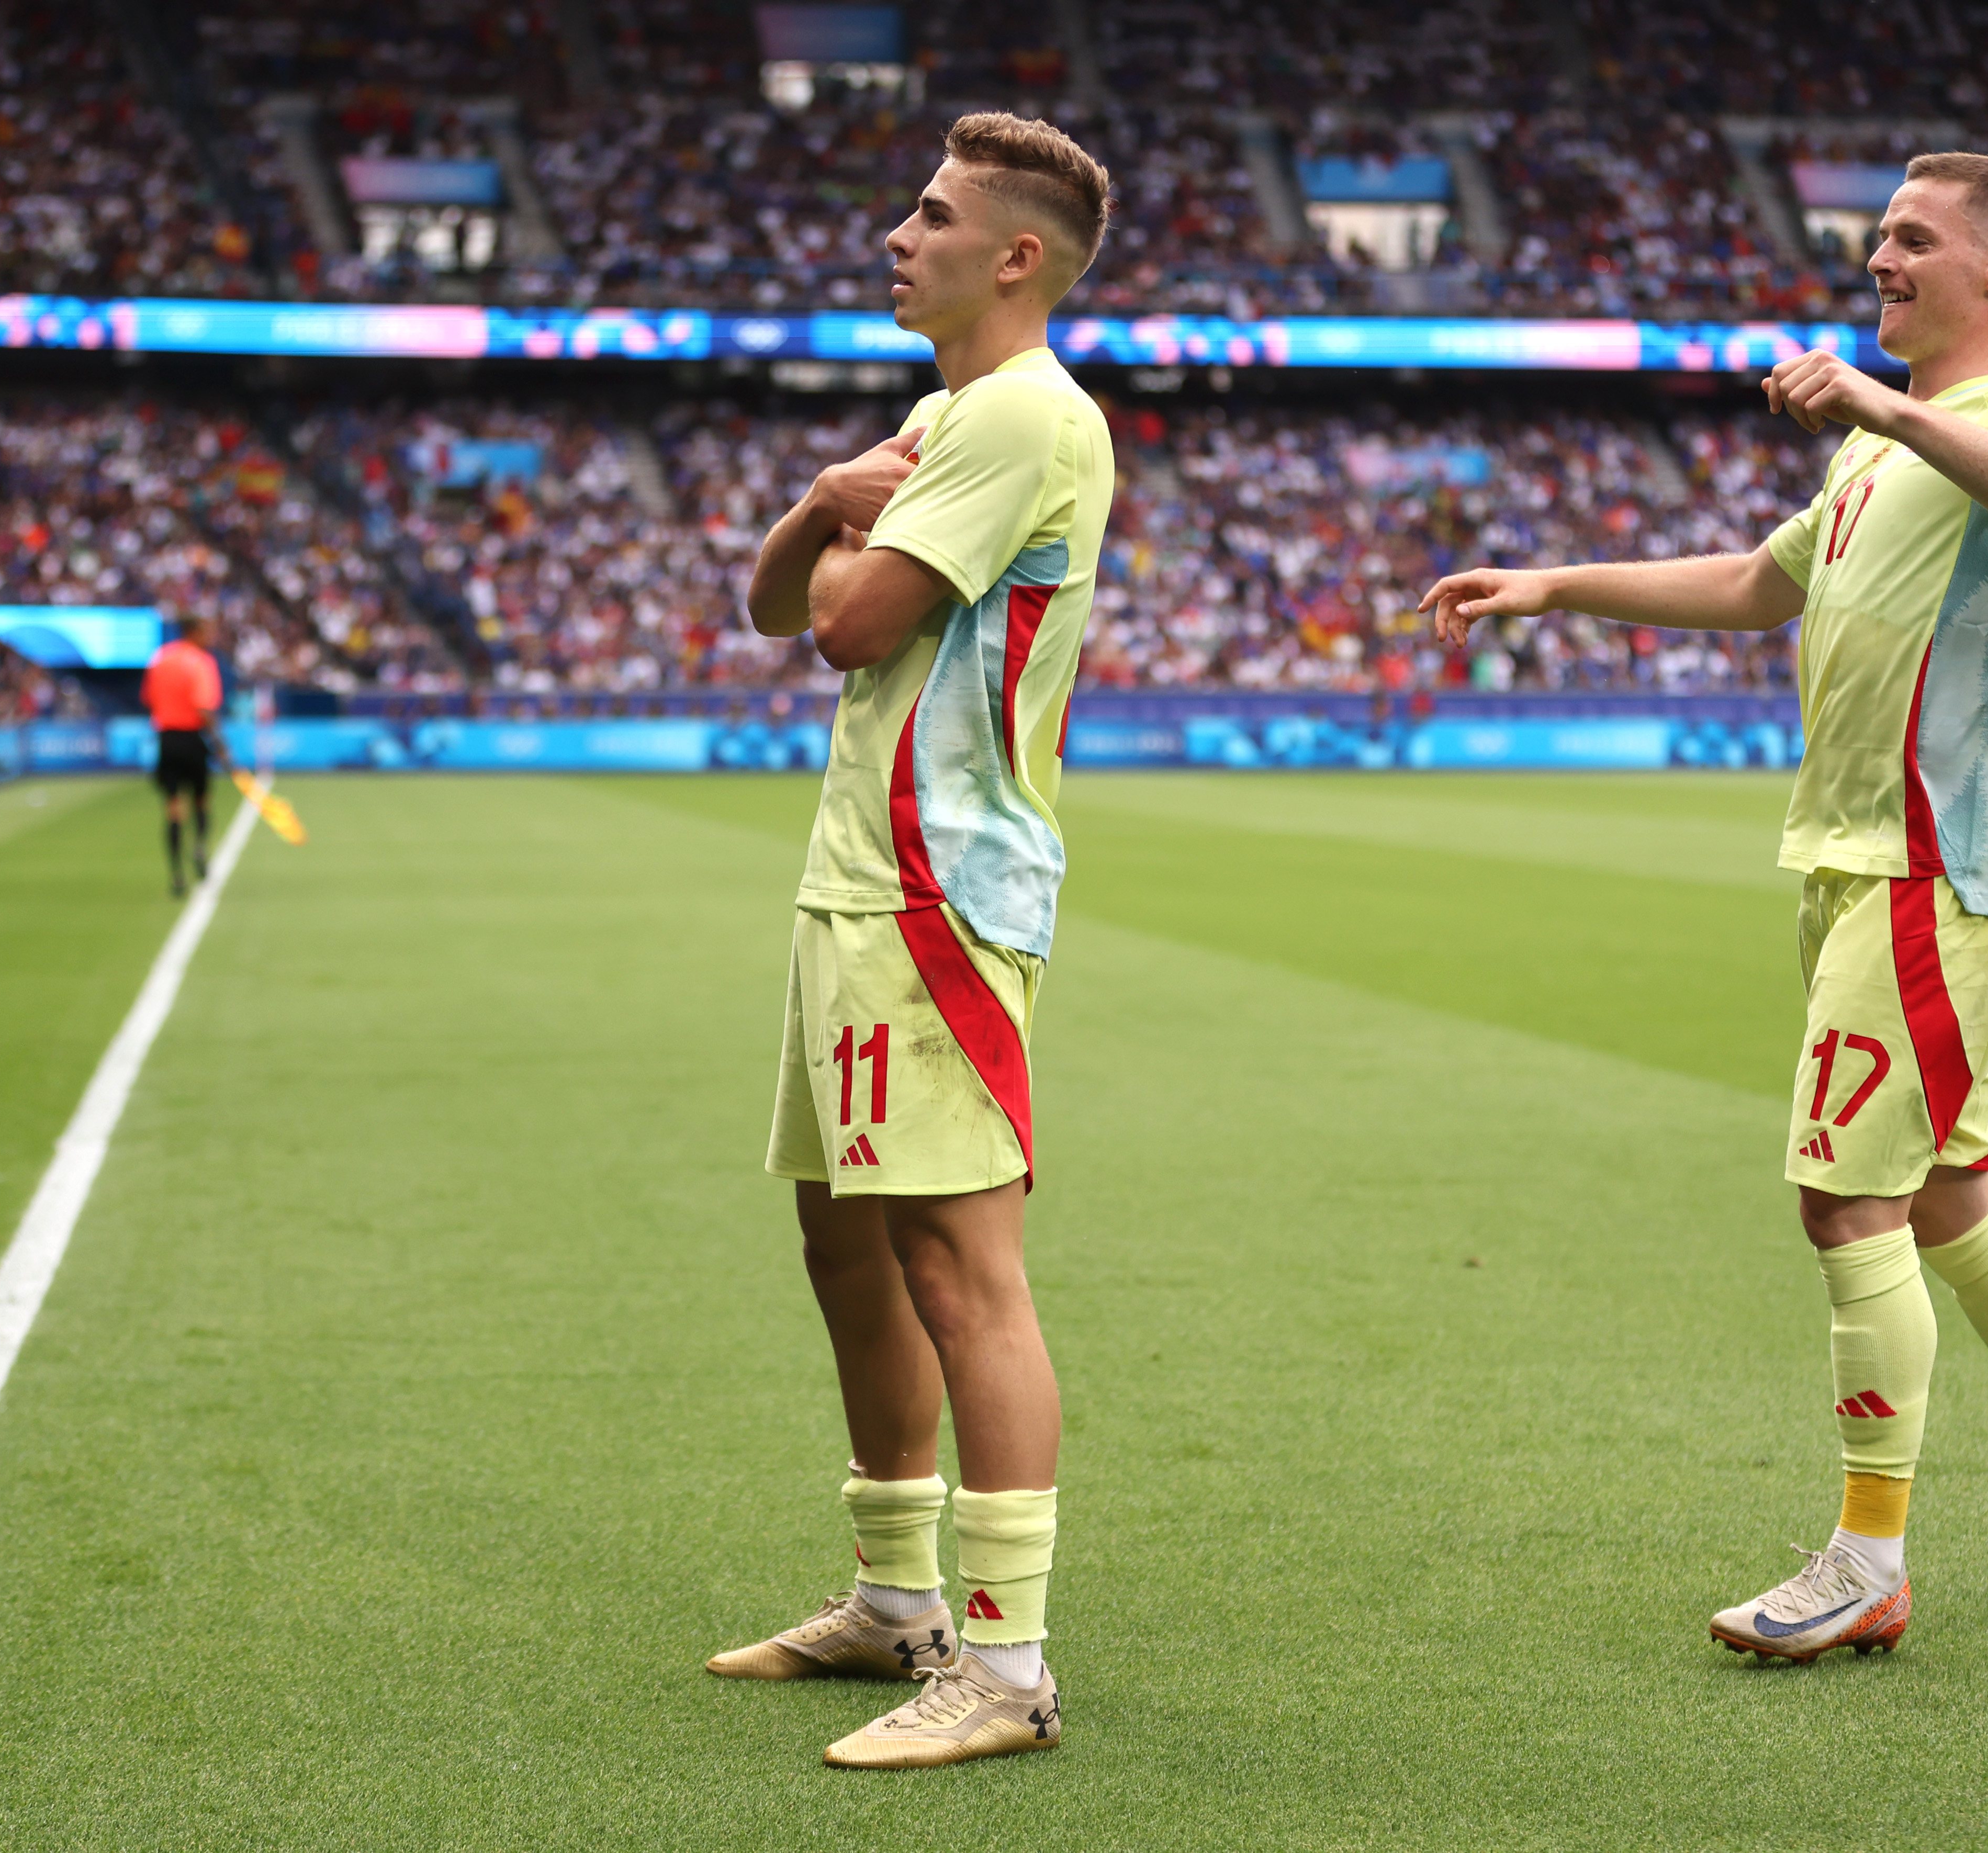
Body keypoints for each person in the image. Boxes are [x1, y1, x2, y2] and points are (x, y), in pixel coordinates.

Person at [1418, 152, 1988, 1664]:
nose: (1880, 259)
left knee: (1847, 1199)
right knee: (1949, 1192)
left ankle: (1867, 1561)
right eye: (1880, 237)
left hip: (1938, 871)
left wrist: (1887, 408)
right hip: (1856, 866)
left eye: (1914, 239)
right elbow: (1760, 583)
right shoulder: (1869, 458)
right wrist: (1556, 583)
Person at [713, 110, 1114, 1769]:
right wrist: (827, 496)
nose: (898, 232)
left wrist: (834, 524)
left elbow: (848, 623)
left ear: (1013, 255)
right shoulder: (945, 411)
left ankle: (1008, 1666)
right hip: (855, 882)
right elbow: (768, 599)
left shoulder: (1023, 414)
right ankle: (896, 1601)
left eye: (932, 214)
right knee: (845, 1245)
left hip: (937, 896)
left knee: (960, 1268)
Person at [140, 615, 223, 897]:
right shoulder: (201, 662)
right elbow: (204, 707)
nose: (210, 636)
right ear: (195, 632)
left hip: (167, 740)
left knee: (174, 809)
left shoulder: (160, 658)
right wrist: (219, 743)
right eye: (206, 631)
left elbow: (148, 699)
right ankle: (199, 847)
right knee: (201, 801)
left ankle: (176, 875)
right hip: (192, 738)